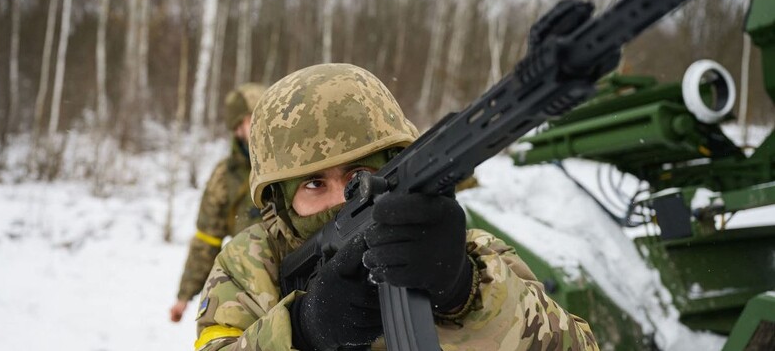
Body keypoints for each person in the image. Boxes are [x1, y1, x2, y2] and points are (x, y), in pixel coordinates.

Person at [192, 63, 599, 350]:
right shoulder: (249, 266)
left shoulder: (466, 254)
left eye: (357, 177)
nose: (340, 200)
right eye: (314, 184)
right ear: (280, 202)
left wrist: (464, 293)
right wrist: (303, 331)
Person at [169, 83, 267, 323]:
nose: (262, 125)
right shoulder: (225, 177)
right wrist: (184, 295)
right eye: (252, 118)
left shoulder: (297, 160)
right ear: (237, 129)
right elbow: (207, 238)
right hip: (256, 294)